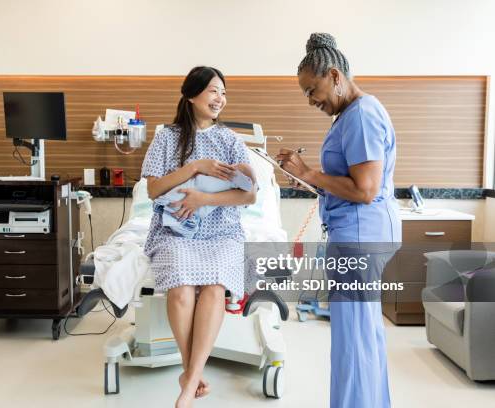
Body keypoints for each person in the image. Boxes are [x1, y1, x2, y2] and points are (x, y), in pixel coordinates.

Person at [276, 33, 401, 408]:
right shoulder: (352, 114)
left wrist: (310, 174)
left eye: (312, 90)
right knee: (364, 336)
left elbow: (365, 190)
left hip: (360, 237)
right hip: (360, 232)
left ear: (334, 75)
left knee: (353, 341)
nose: (311, 100)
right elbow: (350, 184)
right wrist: (306, 176)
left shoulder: (361, 115)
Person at [141, 66, 256, 408]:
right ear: (191, 95)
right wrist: (195, 167)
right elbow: (153, 189)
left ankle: (188, 382)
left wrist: (204, 198)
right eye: (213, 91)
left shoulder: (231, 140)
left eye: (223, 92)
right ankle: (192, 370)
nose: (220, 98)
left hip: (222, 229)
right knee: (180, 289)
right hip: (175, 230)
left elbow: (249, 196)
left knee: (215, 286)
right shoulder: (166, 137)